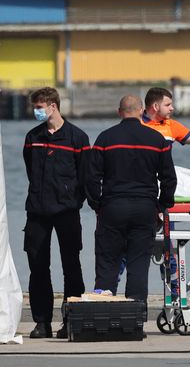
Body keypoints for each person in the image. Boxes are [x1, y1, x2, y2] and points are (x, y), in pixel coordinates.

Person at [86, 95, 177, 302]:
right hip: (145, 208)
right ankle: (136, 315)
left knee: (107, 262)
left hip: (112, 207)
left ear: (119, 112)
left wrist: (97, 204)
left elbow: (91, 177)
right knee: (138, 263)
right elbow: (169, 179)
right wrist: (161, 206)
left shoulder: (105, 139)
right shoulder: (157, 140)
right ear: (141, 111)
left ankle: (104, 311)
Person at [23, 87, 89, 338]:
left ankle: (71, 321)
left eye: (39, 107)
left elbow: (85, 175)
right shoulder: (33, 137)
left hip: (66, 211)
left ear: (53, 106)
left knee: (71, 266)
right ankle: (42, 322)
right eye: (34, 107)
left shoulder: (77, 138)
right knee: (38, 267)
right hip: (37, 211)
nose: (36, 111)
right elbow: (30, 168)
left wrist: (74, 200)